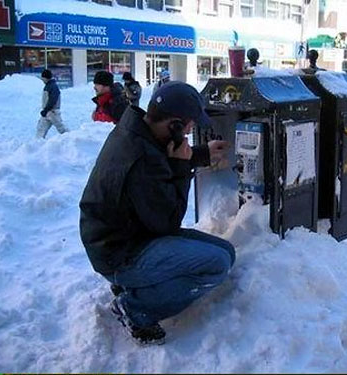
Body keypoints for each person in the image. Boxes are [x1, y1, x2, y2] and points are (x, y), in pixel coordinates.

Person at [79, 81, 235, 345]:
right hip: (120, 253)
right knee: (216, 265)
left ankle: (136, 285)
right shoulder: (140, 160)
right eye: (189, 124)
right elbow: (168, 222)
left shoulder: (137, 131)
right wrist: (181, 167)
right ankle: (137, 308)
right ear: (173, 124)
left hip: (126, 235)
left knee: (226, 252)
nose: (191, 130)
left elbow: (160, 159)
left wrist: (200, 154)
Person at [36, 69, 68, 138]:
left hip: (52, 112)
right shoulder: (49, 85)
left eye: (42, 78)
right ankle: (37, 143)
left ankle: (72, 139)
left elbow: (52, 100)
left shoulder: (52, 86)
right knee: (41, 129)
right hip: (48, 112)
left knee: (62, 129)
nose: (42, 80)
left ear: (45, 78)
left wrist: (46, 109)